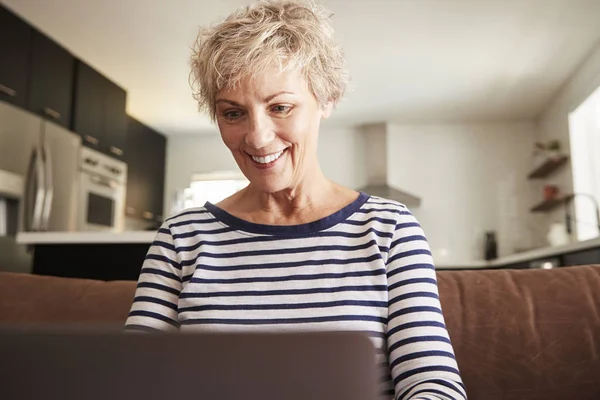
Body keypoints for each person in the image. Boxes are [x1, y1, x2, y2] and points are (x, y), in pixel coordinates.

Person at [125, 1, 466, 399]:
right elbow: (132, 380)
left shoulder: (390, 230)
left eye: (280, 107)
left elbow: (434, 385)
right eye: (233, 114)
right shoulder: (181, 239)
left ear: (325, 100)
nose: (258, 138)